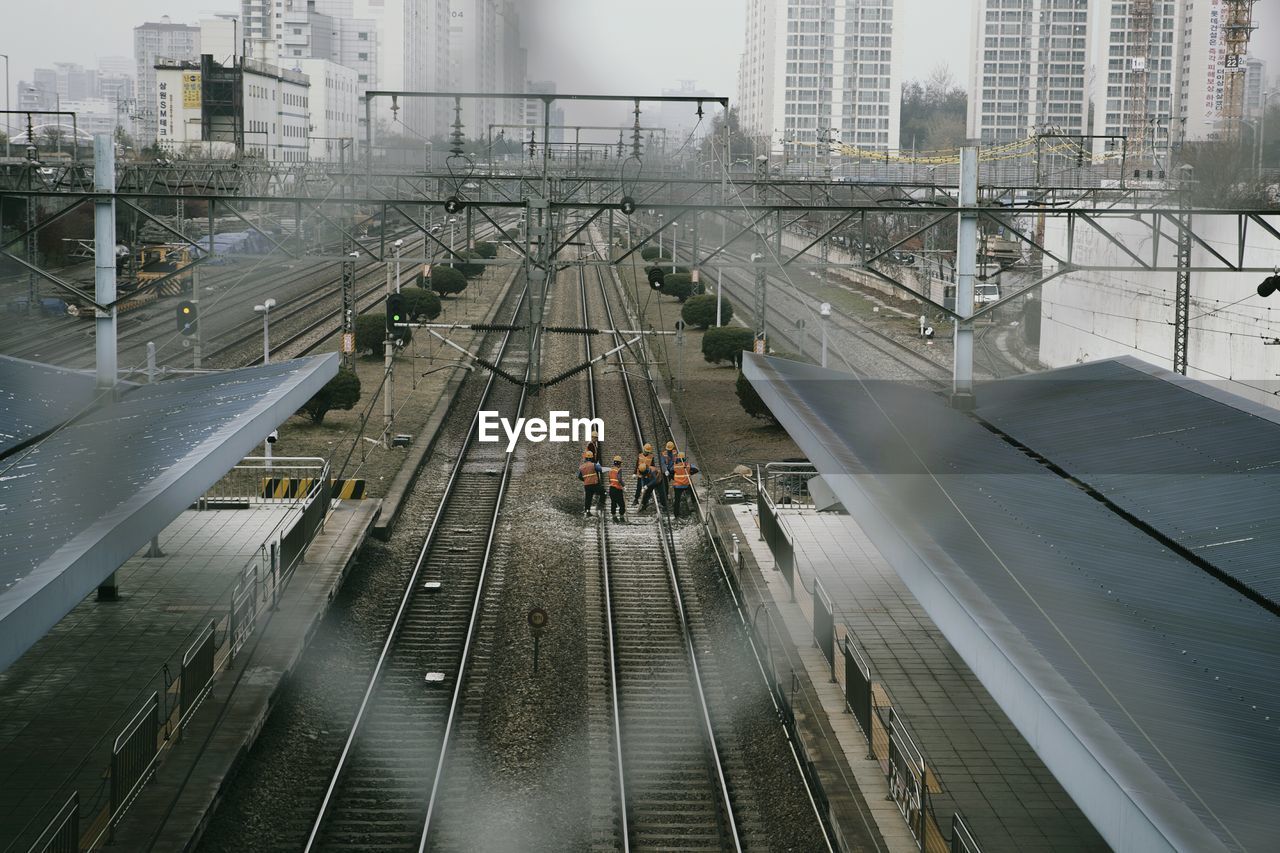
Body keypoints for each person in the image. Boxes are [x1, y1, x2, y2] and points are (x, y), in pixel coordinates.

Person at [671, 451, 700, 518]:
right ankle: (694, 502)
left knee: (677, 500)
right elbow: (696, 469)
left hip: (678, 486)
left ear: (678, 459)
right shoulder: (688, 465)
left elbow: (671, 471)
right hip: (686, 484)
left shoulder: (675, 466)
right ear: (684, 458)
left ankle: (676, 514)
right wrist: (690, 473)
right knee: (692, 492)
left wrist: (673, 477)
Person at [578, 450, 604, 517]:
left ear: (585, 458)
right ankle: (600, 505)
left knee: (588, 499)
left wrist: (586, 480)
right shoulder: (593, 465)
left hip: (587, 485)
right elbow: (600, 469)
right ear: (592, 458)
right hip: (594, 484)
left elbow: (579, 476)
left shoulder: (582, 467)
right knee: (603, 493)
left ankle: (587, 512)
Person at [607, 455, 627, 522]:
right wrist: (624, 486)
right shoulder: (619, 470)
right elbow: (619, 479)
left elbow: (609, 480)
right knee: (622, 504)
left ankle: (614, 517)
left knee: (613, 503)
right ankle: (621, 517)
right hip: (617, 490)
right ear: (619, 463)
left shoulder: (611, 470)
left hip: (611, 489)